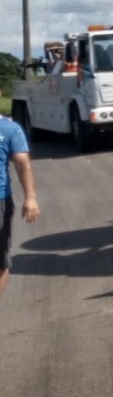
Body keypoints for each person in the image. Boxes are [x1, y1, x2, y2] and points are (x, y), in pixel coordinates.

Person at [0, 92, 40, 300]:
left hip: (0, 202)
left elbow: (22, 163)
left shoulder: (9, 129)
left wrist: (30, 197)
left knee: (0, 261)